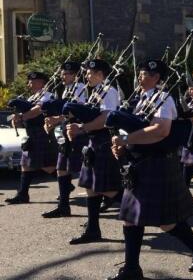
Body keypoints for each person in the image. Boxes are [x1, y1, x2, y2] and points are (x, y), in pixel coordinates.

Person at [108, 59, 193, 279]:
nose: (140, 77)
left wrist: (126, 139)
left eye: (145, 74)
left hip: (158, 163)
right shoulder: (138, 100)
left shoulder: (163, 98)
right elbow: (132, 129)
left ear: (157, 79)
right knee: (131, 217)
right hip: (139, 163)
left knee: (166, 221)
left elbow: (161, 130)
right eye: (140, 72)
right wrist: (121, 146)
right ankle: (132, 269)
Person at [66, 59, 122, 244]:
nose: (87, 76)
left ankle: (141, 209)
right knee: (91, 186)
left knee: (109, 189)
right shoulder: (95, 92)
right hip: (94, 142)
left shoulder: (109, 91)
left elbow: (107, 117)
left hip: (105, 141)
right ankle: (93, 229)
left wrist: (82, 128)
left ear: (99, 74)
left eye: (90, 73)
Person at [41, 61, 88, 217]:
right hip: (65, 133)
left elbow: (77, 111)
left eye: (66, 73)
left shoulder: (81, 89)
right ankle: (63, 207)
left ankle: (114, 196)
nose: (62, 76)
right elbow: (64, 113)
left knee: (87, 169)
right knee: (61, 168)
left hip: (78, 134)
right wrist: (54, 122)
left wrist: (57, 119)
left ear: (75, 75)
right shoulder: (66, 90)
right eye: (62, 73)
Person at [6, 72, 58, 204]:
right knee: (25, 164)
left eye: (34, 81)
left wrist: (23, 117)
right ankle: (23, 194)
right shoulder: (31, 97)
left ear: (42, 83)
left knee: (46, 166)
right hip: (31, 134)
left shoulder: (47, 95)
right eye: (29, 81)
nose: (30, 84)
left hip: (42, 132)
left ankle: (65, 184)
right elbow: (25, 113)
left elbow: (38, 110)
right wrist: (16, 119)